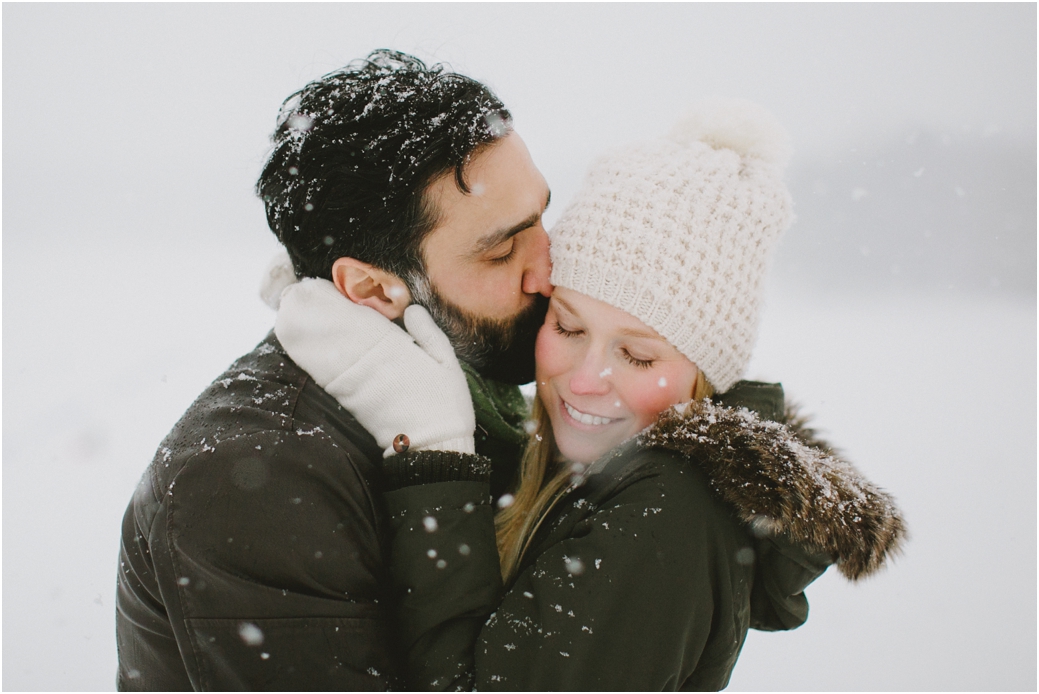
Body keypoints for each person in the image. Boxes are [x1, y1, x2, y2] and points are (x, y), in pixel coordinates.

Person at [275, 98, 907, 690]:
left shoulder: (668, 510)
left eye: (637, 354)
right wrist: (361, 309)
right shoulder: (587, 473)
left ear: (705, 376)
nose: (583, 379)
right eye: (568, 326)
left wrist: (434, 451)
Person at [115, 50, 553, 690]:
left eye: (543, 216)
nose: (551, 269)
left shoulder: (477, 385)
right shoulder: (254, 480)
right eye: (505, 250)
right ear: (374, 291)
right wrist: (435, 460)